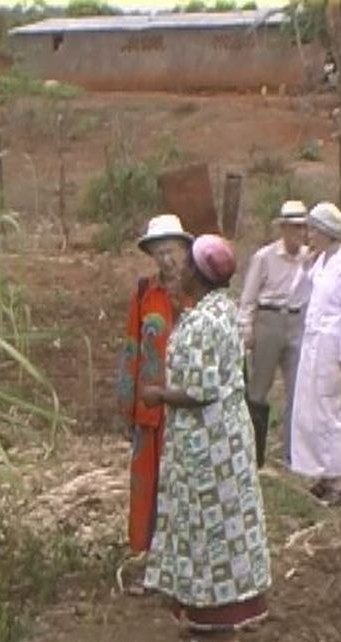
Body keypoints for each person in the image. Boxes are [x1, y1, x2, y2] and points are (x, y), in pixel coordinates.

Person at [139, 234, 271, 642]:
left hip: (207, 444)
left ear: (199, 273)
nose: (179, 271)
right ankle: (212, 620)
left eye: (186, 266)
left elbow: (198, 389)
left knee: (211, 529)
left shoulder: (202, 322)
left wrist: (158, 395)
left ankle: (220, 634)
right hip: (223, 438)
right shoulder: (223, 311)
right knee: (222, 525)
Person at [117, 214, 193, 562]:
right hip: (150, 407)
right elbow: (131, 347)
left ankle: (184, 557)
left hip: (189, 405)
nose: (167, 259)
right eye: (159, 252)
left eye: (172, 250)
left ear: (184, 249)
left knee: (185, 482)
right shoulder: (145, 292)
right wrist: (126, 403)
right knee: (148, 482)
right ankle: (150, 556)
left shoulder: (199, 292)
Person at [290, 202, 341, 507]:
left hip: (331, 345)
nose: (308, 235)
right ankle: (320, 472)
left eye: (312, 230)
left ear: (325, 232)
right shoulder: (320, 262)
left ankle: (337, 480)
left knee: (331, 408)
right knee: (310, 407)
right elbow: (297, 296)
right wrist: (305, 265)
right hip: (312, 342)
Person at [237, 200, 311, 467]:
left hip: (296, 321)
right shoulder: (265, 257)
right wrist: (246, 328)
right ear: (283, 229)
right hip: (268, 320)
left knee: (298, 389)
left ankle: (293, 454)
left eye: (302, 228)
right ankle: (252, 451)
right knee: (258, 389)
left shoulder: (309, 258)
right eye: (293, 228)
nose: (298, 234)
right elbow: (248, 297)